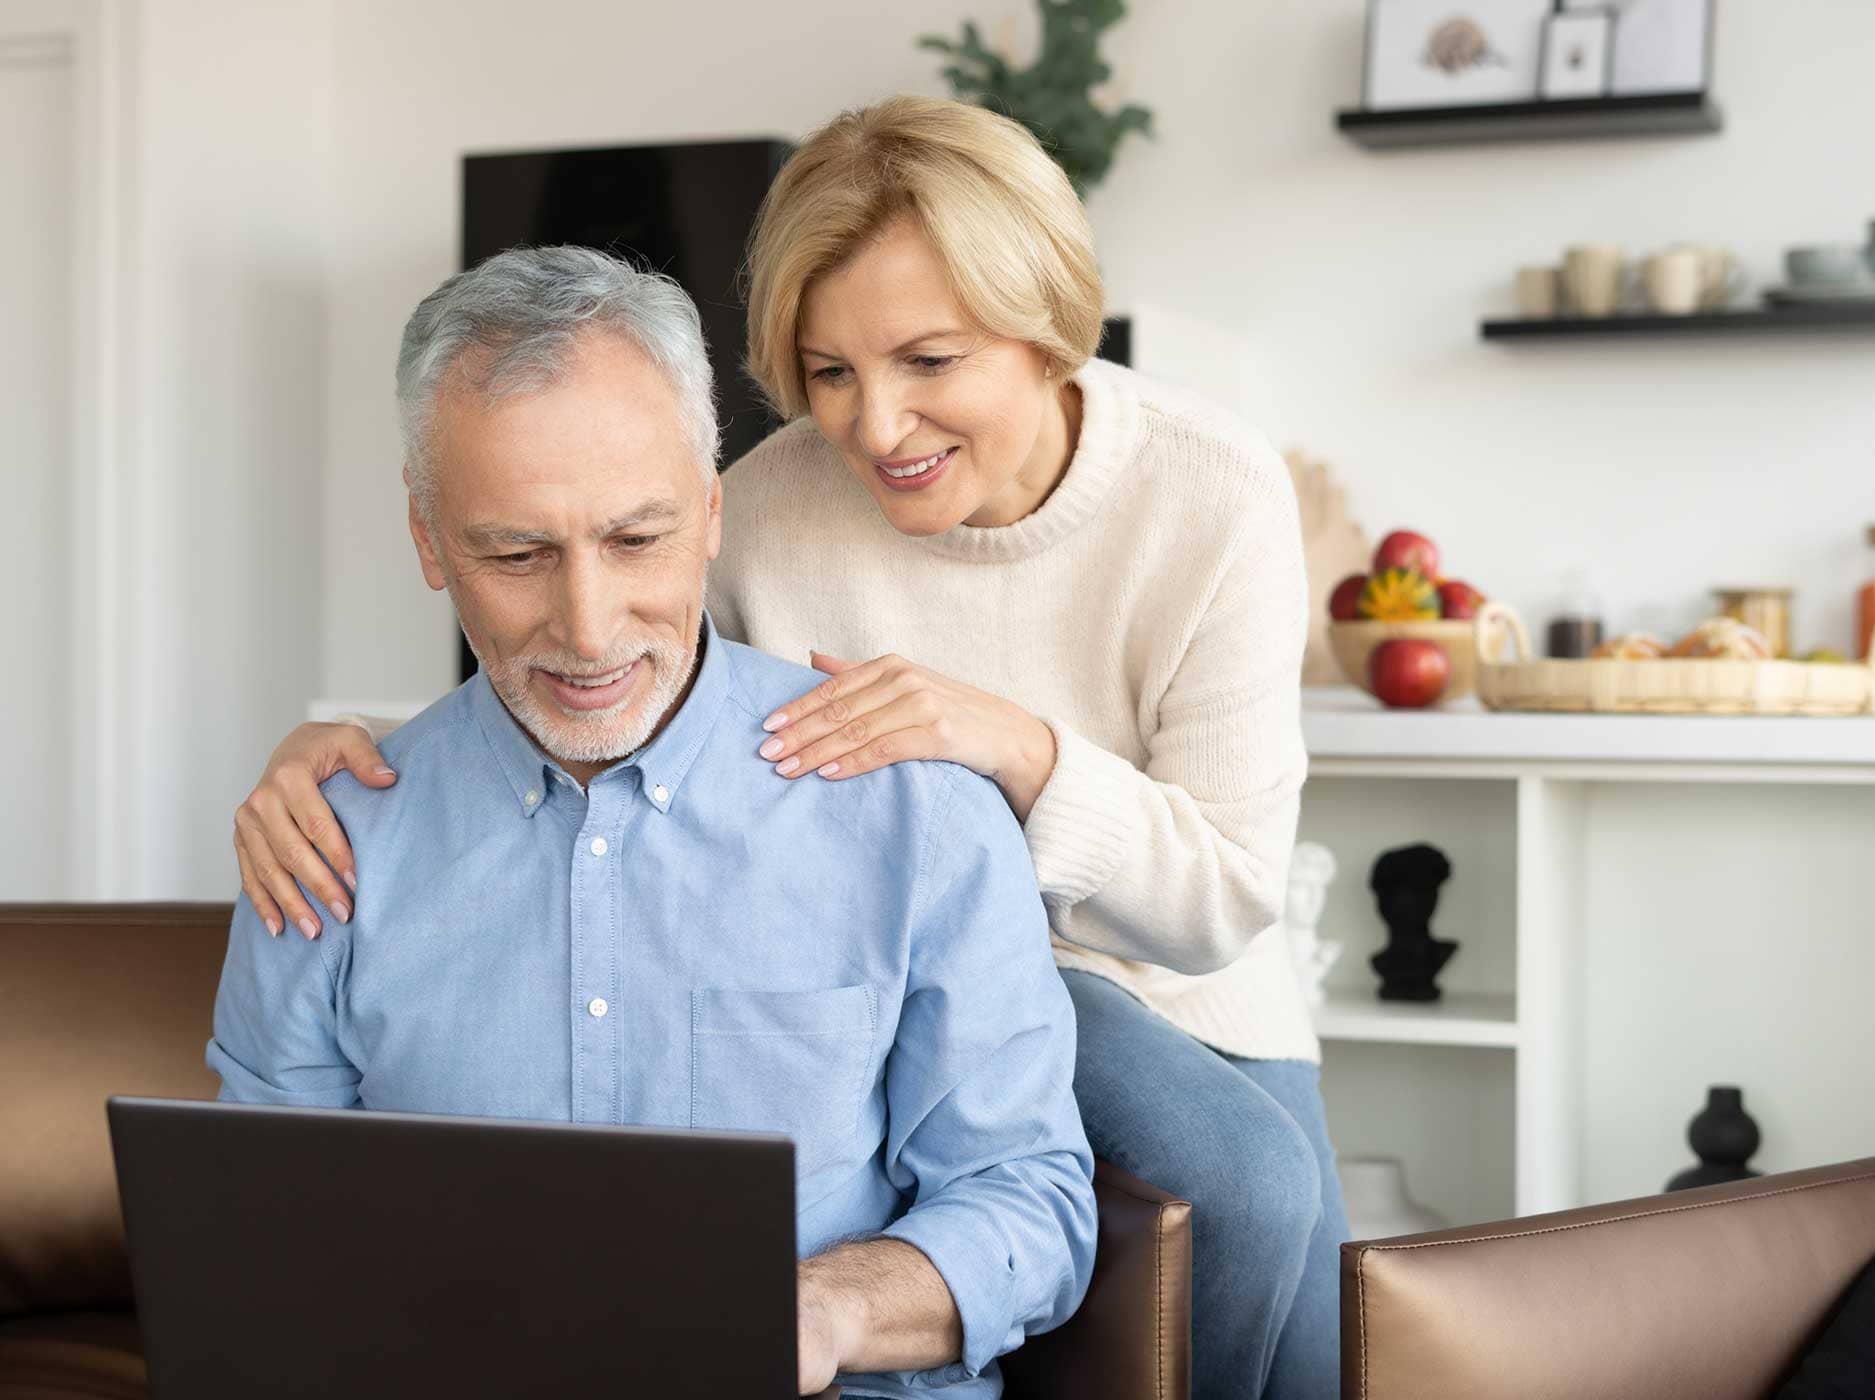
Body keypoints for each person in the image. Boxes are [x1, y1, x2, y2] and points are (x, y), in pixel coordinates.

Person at [232, 96, 1348, 1400]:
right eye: (829, 373)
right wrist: (357, 760)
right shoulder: (762, 504)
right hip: (872, 939)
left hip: (1158, 967)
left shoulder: (1208, 489)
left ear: (1043, 326)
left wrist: (1007, 748)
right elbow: (589, 688)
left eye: (927, 359)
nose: (877, 426)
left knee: (1259, 1200)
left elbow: (1224, 895)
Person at [208, 246, 1097, 1400]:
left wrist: (822, 1310)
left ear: (712, 512)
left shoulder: (916, 812)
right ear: (428, 539)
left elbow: (1029, 1204)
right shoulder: (323, 844)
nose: (588, 628)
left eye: (637, 540)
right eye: (516, 553)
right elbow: (264, 1233)